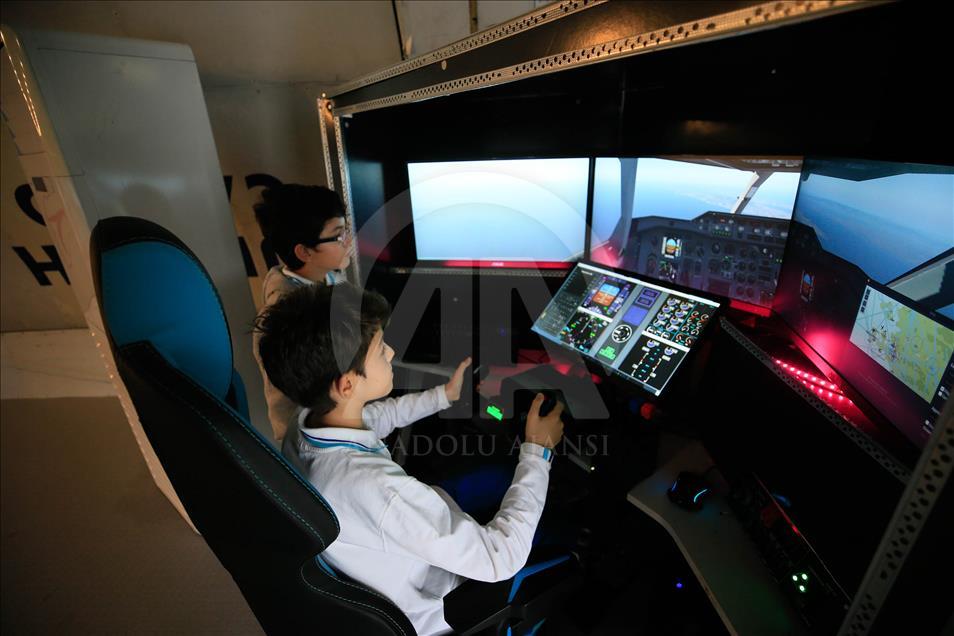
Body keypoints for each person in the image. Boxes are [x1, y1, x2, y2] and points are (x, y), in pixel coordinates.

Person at [255, 283, 564, 635]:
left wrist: (444, 395)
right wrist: (538, 450)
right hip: (446, 598)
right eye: (380, 349)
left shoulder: (306, 422)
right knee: (555, 525)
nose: (391, 352)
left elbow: (377, 417)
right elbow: (500, 557)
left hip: (405, 534)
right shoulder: (376, 488)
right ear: (347, 385)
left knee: (499, 475)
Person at [251, 184, 354, 441]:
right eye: (338, 236)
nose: (348, 242)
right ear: (304, 252)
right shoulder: (288, 314)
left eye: (346, 231)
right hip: (314, 438)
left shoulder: (324, 276)